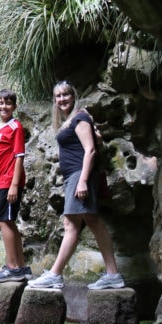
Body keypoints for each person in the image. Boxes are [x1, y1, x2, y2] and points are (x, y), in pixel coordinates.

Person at [27, 80, 125, 290]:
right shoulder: (75, 119)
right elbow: (94, 142)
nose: (62, 99)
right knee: (92, 221)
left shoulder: (79, 117)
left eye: (66, 95)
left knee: (71, 224)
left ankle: (55, 274)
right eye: (58, 96)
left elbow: (89, 150)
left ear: (73, 96)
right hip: (74, 175)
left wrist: (82, 181)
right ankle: (113, 275)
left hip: (80, 175)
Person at [0, 90, 32, 283]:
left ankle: (12, 267)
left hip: (9, 182)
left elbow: (19, 156)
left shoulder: (15, 126)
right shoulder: (2, 128)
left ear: (14, 106)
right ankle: (21, 267)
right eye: (0, 103)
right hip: (2, 182)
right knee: (9, 221)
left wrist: (14, 185)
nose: (3, 106)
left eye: (7, 103)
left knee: (4, 222)